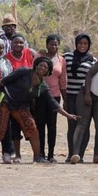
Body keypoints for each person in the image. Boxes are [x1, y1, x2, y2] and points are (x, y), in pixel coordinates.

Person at [0, 56, 78, 163]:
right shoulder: (24, 71)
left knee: (31, 126)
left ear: (48, 71)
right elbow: (4, 81)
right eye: (41, 65)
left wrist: (68, 115)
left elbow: (54, 104)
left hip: (20, 105)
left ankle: (37, 157)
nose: (43, 68)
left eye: (46, 67)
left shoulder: (43, 87)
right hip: (4, 97)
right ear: (36, 65)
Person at [35, 34, 67, 162]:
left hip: (54, 97)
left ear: (58, 45)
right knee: (40, 125)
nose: (53, 46)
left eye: (56, 44)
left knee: (52, 126)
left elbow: (63, 81)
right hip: (39, 96)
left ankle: (51, 155)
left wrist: (65, 100)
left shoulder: (61, 60)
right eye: (51, 44)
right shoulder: (39, 57)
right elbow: (34, 73)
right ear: (47, 45)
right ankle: (41, 154)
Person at [63, 33, 95, 163]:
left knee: (84, 126)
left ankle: (80, 154)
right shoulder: (67, 56)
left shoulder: (93, 60)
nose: (83, 46)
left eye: (85, 44)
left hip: (85, 96)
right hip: (70, 95)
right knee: (71, 125)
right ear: (76, 44)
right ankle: (71, 153)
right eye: (80, 43)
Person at [5, 33, 36, 162]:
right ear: (11, 44)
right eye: (16, 42)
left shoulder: (29, 54)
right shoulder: (6, 57)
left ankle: (37, 154)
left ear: (25, 44)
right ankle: (17, 155)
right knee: (15, 127)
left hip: (30, 96)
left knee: (31, 125)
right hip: (13, 97)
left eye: (21, 43)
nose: (18, 45)